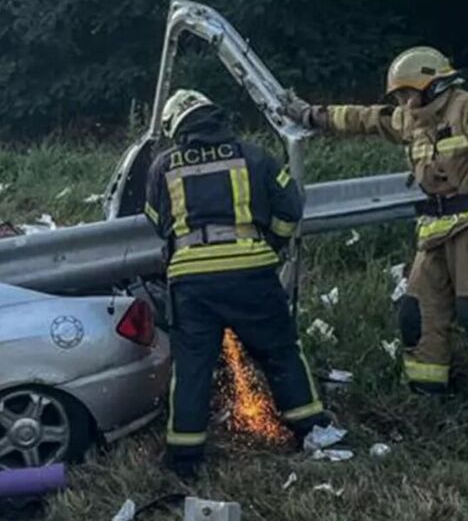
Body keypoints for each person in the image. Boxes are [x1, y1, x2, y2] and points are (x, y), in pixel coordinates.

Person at [146, 89, 329, 476]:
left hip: (191, 279)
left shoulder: (164, 165)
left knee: (193, 367)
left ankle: (185, 458)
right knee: (280, 352)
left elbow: (156, 219)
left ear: (176, 126)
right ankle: (310, 430)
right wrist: (271, 244)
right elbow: (290, 209)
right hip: (252, 273)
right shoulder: (254, 155)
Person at [295, 47, 468, 393]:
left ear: (432, 86)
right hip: (434, 232)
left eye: (408, 93)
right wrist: (312, 115)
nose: (404, 103)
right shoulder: (411, 121)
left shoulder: (463, 108)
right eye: (400, 96)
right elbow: (365, 118)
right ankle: (429, 395)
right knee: (416, 317)